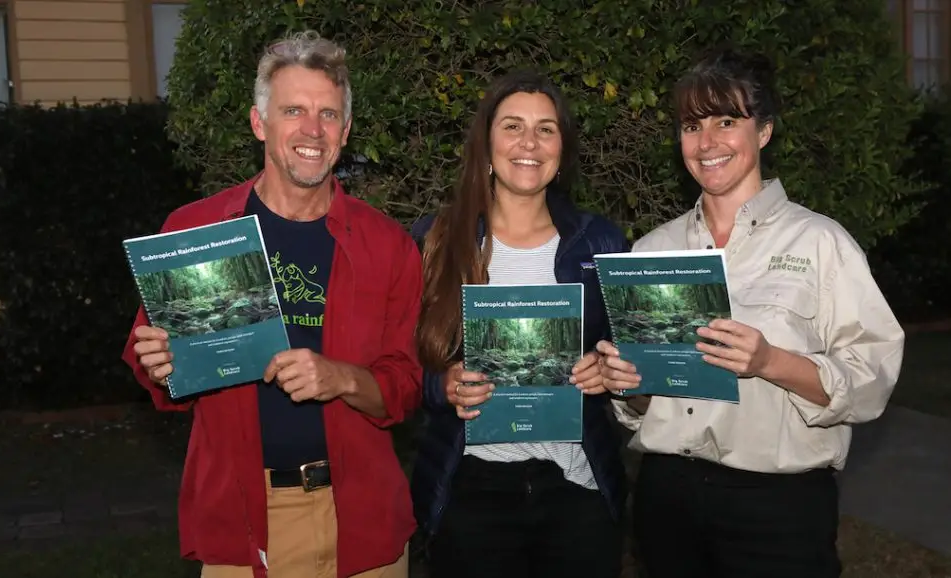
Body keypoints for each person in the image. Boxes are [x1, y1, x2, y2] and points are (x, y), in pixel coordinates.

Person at [121, 31, 422, 578]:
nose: (312, 130)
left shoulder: (387, 245)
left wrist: (341, 378)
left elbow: (403, 389)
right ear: (259, 123)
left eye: (328, 114)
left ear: (345, 131)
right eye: (293, 111)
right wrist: (160, 365)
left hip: (362, 518)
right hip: (243, 523)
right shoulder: (196, 232)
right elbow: (161, 380)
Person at [597, 48, 905, 578]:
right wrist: (628, 384)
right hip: (667, 499)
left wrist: (770, 362)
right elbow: (645, 405)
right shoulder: (652, 250)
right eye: (692, 126)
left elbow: (872, 379)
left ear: (763, 131)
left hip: (778, 507)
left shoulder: (819, 242)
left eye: (726, 121)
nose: (707, 142)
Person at [409, 69, 629, 578]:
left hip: (576, 491)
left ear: (561, 150)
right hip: (470, 492)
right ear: (486, 144)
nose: (529, 142)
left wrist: (608, 371)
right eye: (512, 126)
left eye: (545, 129)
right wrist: (442, 385)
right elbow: (399, 366)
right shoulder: (434, 239)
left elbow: (632, 364)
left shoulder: (600, 242)